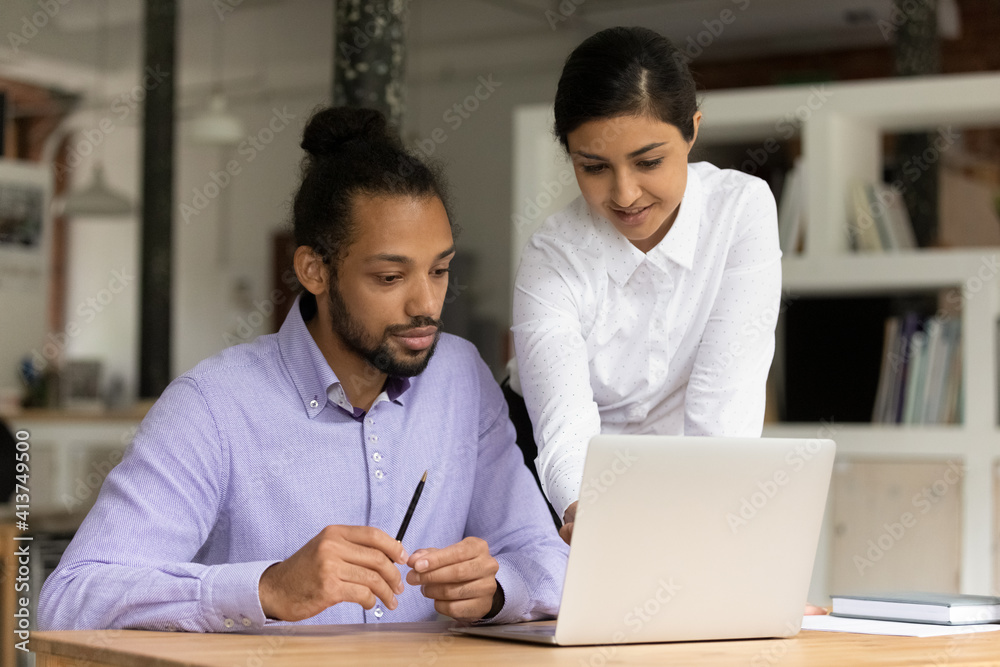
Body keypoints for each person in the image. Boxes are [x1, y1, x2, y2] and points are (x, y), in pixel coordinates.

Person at [38, 107, 568, 632]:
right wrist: (267, 588)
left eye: (440, 270)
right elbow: (69, 598)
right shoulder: (213, 405)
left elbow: (548, 560)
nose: (426, 304)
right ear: (313, 270)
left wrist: (497, 589)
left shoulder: (461, 378)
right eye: (389, 277)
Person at [510, 26, 783, 545]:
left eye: (649, 161)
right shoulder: (554, 255)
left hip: (674, 463)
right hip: (548, 463)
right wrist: (585, 510)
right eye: (593, 167)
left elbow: (723, 406)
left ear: (692, 132)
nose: (625, 193)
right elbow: (565, 424)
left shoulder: (741, 212)